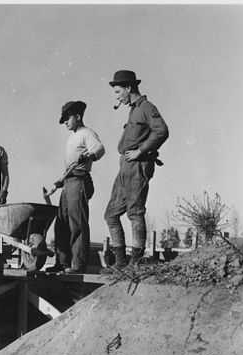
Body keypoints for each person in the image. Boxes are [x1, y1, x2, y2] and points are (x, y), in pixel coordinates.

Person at [102, 70, 169, 273]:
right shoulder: (133, 110)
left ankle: (136, 262)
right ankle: (121, 262)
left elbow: (162, 131)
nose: (117, 96)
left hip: (138, 165)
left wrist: (141, 151)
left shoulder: (146, 108)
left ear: (128, 88)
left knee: (135, 212)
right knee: (111, 214)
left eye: (118, 91)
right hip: (126, 166)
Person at [47, 101, 105, 274]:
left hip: (79, 181)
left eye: (67, 118)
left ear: (78, 117)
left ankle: (78, 265)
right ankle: (62, 263)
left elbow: (100, 149)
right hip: (67, 182)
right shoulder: (71, 137)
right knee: (61, 224)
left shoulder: (87, 133)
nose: (65, 122)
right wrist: (59, 182)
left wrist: (91, 155)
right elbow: (69, 166)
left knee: (77, 223)